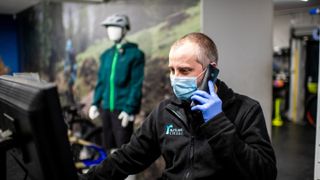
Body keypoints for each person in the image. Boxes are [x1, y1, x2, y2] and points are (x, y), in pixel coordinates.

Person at [81, 32, 277, 180]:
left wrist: (217, 122)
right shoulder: (166, 111)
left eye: (184, 70)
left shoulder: (246, 110)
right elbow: (128, 157)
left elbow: (264, 173)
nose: (175, 79)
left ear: (212, 71)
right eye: (172, 70)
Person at [88, 14, 145, 152]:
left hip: (122, 110)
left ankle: (127, 175)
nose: (111, 31)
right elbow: (101, 82)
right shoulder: (106, 55)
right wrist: (95, 103)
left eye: (116, 28)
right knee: (109, 147)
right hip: (106, 108)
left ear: (125, 29)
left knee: (124, 150)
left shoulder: (135, 54)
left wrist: (129, 109)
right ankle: (111, 174)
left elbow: (136, 84)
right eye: (109, 28)